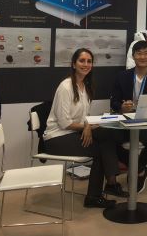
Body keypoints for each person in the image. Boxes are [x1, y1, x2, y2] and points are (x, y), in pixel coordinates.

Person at [44, 48, 126, 209]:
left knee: (106, 135)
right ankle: (103, 189)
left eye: (89, 61)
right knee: (102, 147)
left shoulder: (86, 86)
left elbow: (83, 117)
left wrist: (89, 125)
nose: (86, 64)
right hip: (56, 137)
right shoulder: (66, 87)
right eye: (82, 61)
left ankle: (107, 186)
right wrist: (86, 126)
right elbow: (64, 123)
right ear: (73, 64)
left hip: (73, 133)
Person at [111, 40, 147, 193]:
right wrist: (121, 107)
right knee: (109, 141)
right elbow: (113, 102)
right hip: (125, 122)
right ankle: (139, 169)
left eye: (146, 53)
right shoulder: (122, 76)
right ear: (133, 56)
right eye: (139, 53)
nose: (142, 57)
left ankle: (136, 169)